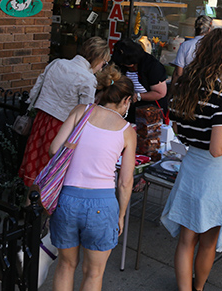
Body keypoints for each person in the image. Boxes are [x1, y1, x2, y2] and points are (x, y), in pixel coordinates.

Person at [161, 29, 222, 291]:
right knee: (208, 240)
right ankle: (198, 288)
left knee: (186, 239)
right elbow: (217, 149)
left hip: (191, 166)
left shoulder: (182, 86)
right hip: (214, 173)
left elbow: (176, 128)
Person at [49, 65, 137, 291]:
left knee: (66, 265)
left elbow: (54, 149)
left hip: (67, 199)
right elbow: (125, 182)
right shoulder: (127, 131)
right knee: (94, 273)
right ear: (125, 100)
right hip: (102, 205)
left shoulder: (81, 111)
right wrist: (121, 214)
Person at [18, 37, 110, 186]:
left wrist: (30, 108)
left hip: (41, 119)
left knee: (34, 166)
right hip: (62, 128)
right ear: (97, 58)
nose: (101, 68)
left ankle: (28, 205)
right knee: (50, 172)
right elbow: (84, 113)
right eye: (103, 63)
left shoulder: (57, 63)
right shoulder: (88, 79)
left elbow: (35, 90)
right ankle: (43, 207)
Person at [111, 38, 168, 118]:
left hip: (150, 110)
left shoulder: (152, 66)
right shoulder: (120, 65)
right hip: (129, 108)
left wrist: (138, 96)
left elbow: (160, 93)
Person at [172, 15, 213, 79]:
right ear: (209, 30)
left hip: (187, 84)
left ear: (194, 28)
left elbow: (179, 73)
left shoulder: (185, 45)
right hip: (206, 84)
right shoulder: (213, 46)